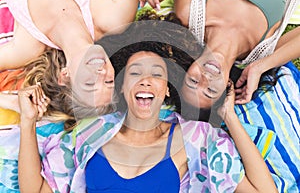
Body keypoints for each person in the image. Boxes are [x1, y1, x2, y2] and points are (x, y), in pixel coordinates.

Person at [18, 20, 276, 192]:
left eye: (156, 74)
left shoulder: (197, 139)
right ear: (120, 86)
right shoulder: (91, 134)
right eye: (134, 73)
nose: (145, 81)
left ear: (166, 90)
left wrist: (229, 117)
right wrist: (27, 123)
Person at [0, 0, 167, 108]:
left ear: (65, 76)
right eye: (108, 82)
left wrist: (9, 102)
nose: (101, 74)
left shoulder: (27, 48)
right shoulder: (112, 19)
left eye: (89, 83)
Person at [174, 0, 300, 109]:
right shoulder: (264, 50)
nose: (205, 79)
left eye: (193, 81)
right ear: (227, 86)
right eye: (211, 90)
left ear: (186, 70)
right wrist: (260, 67)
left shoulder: (188, 15)